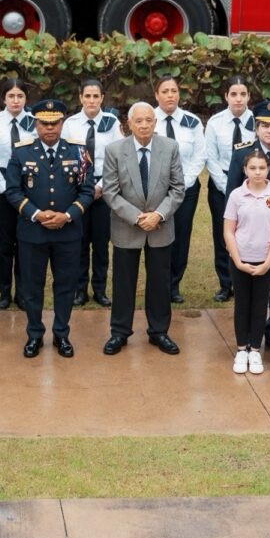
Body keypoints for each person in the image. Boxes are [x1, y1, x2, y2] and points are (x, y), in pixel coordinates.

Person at [4, 98, 95, 358]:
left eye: (55, 123)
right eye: (44, 124)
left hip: (67, 232)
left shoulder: (78, 151)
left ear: (62, 123)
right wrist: (35, 214)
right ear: (35, 124)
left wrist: (67, 215)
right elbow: (12, 190)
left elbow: (87, 190)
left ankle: (61, 334)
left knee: (65, 285)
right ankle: (34, 334)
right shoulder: (22, 152)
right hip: (33, 232)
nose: (50, 129)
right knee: (32, 287)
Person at [101, 101, 185, 356]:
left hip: (160, 227)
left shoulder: (169, 147)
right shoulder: (115, 150)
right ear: (129, 123)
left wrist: (158, 215)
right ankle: (119, 332)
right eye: (139, 120)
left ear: (155, 122)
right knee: (123, 282)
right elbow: (110, 191)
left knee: (160, 282)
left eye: (149, 120)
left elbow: (178, 188)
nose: (145, 124)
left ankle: (159, 331)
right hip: (128, 227)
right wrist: (138, 217)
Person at [223, 150, 270, 375]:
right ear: (245, 170)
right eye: (253, 168)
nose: (257, 172)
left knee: (260, 305)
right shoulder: (236, 195)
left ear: (269, 169)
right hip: (240, 259)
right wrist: (238, 261)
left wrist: (269, 261)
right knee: (242, 304)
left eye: (262, 168)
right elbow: (229, 230)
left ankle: (255, 350)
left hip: (265, 260)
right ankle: (242, 348)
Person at [63, 79, 122, 307]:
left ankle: (99, 289)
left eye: (96, 96)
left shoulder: (112, 122)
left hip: (103, 191)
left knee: (100, 243)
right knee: (79, 242)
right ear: (80, 98)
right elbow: (67, 158)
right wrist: (84, 188)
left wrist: (100, 186)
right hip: (78, 191)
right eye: (87, 96)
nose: (91, 101)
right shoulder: (70, 124)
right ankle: (80, 290)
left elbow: (118, 158)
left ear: (102, 98)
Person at [153, 77, 207, 305]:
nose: (170, 95)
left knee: (181, 237)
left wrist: (183, 183)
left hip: (186, 189)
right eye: (164, 91)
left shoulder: (191, 121)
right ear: (156, 95)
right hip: (156, 191)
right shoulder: (148, 119)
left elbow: (199, 155)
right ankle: (159, 285)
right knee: (158, 238)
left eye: (174, 90)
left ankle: (174, 285)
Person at [0, 78, 36, 311]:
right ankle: (5, 292)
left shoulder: (35, 122)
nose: (16, 101)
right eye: (11, 96)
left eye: (20, 96)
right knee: (4, 243)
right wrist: (4, 188)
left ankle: (23, 293)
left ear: (26, 98)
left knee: (25, 242)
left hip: (29, 184)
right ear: (3, 98)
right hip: (2, 185)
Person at [204, 77, 254, 302]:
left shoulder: (257, 121)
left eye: (243, 94)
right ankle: (226, 284)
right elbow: (211, 159)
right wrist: (229, 189)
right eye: (233, 94)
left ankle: (247, 280)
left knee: (251, 234)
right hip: (221, 187)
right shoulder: (215, 123)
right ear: (226, 96)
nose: (238, 99)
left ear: (248, 97)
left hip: (253, 186)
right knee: (223, 235)